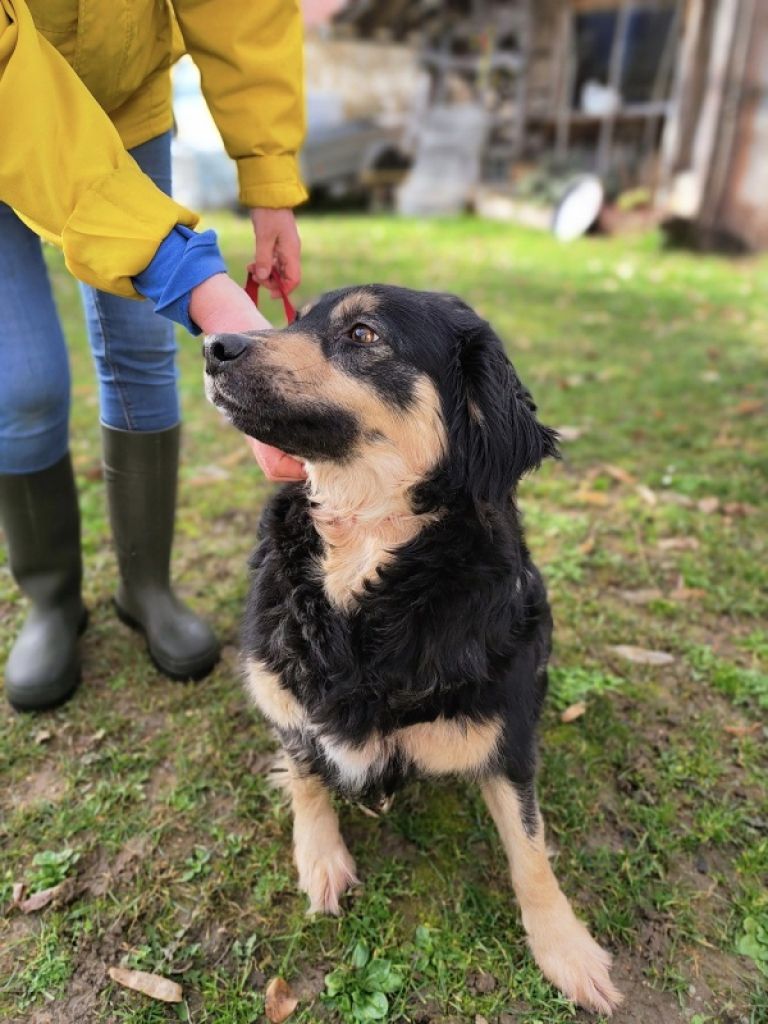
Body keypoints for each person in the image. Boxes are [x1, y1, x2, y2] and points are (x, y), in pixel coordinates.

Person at [0, 0, 307, 713]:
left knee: (140, 355)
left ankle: (146, 586)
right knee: (21, 386)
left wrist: (269, 180)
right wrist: (199, 285)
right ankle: (51, 599)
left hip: (125, 108)